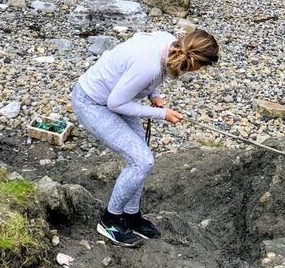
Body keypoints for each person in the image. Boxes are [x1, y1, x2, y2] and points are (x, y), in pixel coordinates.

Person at [71, 27, 220, 247]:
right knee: (141, 160)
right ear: (196, 60)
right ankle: (110, 220)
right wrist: (162, 114)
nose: (201, 71)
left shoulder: (169, 44)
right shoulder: (148, 66)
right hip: (93, 102)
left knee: (141, 157)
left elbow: (134, 59)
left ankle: (131, 216)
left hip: (119, 97)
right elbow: (116, 103)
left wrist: (154, 94)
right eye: (204, 66)